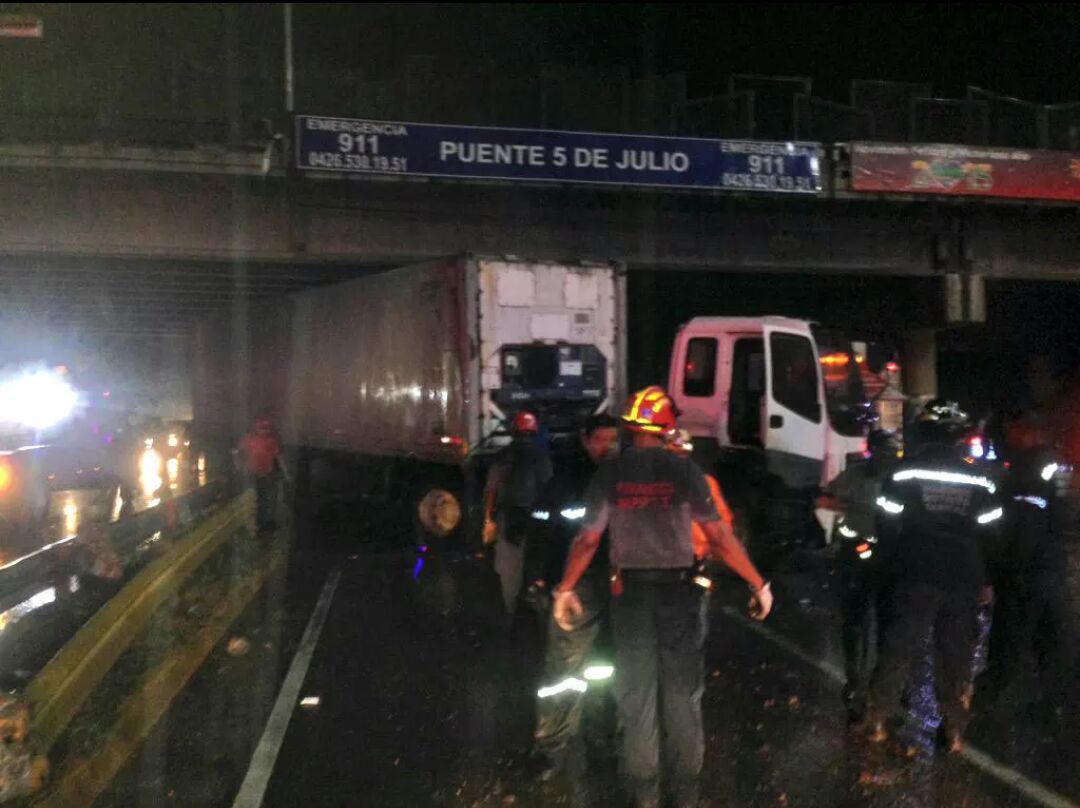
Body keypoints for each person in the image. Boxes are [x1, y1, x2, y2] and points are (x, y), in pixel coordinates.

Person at [553, 386, 772, 808]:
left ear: (632, 427)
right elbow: (720, 536)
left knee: (636, 696)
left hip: (630, 596)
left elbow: (587, 540)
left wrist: (565, 588)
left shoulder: (610, 473)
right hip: (680, 596)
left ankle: (645, 796)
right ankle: (686, 796)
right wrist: (757, 583)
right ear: (667, 425)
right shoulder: (684, 472)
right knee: (681, 695)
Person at [863, 400, 1005, 752]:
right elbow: (992, 533)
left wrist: (891, 563)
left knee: (899, 647)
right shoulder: (980, 478)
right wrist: (988, 579)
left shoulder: (904, 472)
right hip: (962, 575)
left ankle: (877, 721)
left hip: (915, 571)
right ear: (959, 436)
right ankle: (954, 732)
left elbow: (887, 523)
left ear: (924, 432)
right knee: (955, 653)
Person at [527, 413, 619, 806]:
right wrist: (542, 580)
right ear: (585, 440)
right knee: (562, 672)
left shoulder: (622, 479)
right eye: (601, 440)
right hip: (575, 587)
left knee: (606, 667)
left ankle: (606, 737)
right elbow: (544, 531)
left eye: (614, 440)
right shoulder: (566, 481)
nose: (608, 447)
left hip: (615, 587)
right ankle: (551, 747)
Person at [980, 421, 1074, 731]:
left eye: (1017, 432)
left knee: (1008, 638)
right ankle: (1053, 707)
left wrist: (1010, 569)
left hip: (1028, 571)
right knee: (1050, 641)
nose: (1010, 437)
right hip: (1053, 568)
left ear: (1031, 435)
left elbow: (1026, 526)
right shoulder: (1057, 466)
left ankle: (981, 705)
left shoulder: (1029, 470)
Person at [815, 429, 901, 720]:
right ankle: (856, 682)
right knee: (855, 623)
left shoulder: (900, 478)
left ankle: (886, 685)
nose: (883, 458)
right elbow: (824, 499)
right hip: (856, 554)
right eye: (880, 452)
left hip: (889, 557)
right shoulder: (854, 476)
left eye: (888, 453)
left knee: (890, 624)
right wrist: (846, 507)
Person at [483, 410, 553, 621]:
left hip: (509, 517)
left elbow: (491, 490)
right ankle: (537, 604)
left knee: (509, 568)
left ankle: (512, 610)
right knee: (538, 560)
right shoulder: (542, 457)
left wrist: (488, 520)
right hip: (537, 518)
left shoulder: (503, 457)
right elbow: (549, 487)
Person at [665, 429, 735, 560]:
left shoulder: (706, 483)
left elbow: (723, 519)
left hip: (694, 557)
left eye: (682, 454)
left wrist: (707, 548)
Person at [239, 416, 287, 532]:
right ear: (256, 428)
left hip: (267, 474)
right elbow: (240, 452)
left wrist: (285, 472)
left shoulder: (272, 441)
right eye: (261, 428)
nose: (264, 431)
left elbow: (278, 457)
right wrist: (240, 466)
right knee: (254, 498)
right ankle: (254, 522)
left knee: (268, 498)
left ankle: (267, 522)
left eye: (266, 428)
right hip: (252, 473)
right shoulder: (249, 439)